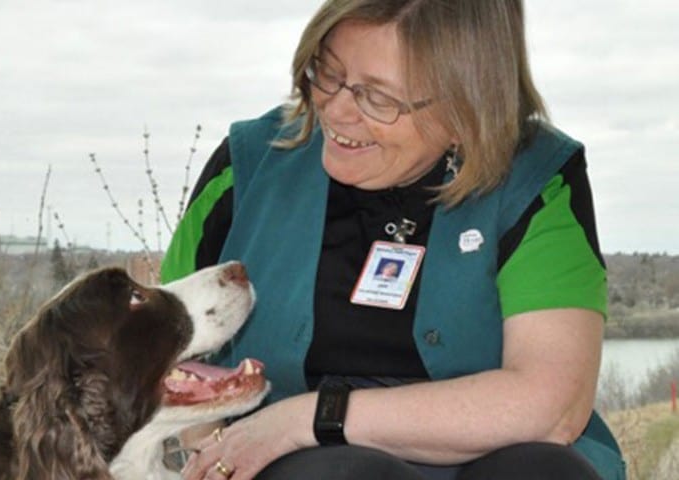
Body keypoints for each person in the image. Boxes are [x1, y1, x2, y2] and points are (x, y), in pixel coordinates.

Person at [160, 1, 625, 479]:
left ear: (468, 104)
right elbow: (157, 352)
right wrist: (211, 449)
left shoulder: (538, 179)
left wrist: (313, 417)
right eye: (327, 73)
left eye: (377, 98)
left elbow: (551, 405)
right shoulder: (249, 165)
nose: (337, 112)